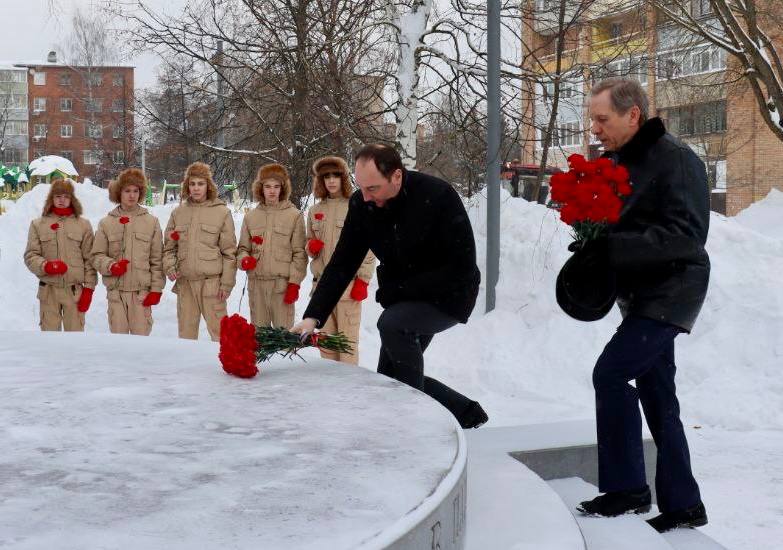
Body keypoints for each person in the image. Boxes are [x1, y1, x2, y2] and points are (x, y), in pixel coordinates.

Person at [575, 78, 710, 532]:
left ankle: (628, 490)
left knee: (609, 373)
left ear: (633, 115)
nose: (594, 128)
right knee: (657, 395)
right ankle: (684, 504)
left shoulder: (676, 160)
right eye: (592, 118)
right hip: (641, 293)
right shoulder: (620, 161)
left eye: (602, 119)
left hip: (672, 292)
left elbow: (686, 237)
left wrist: (612, 248)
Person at [291, 144, 488, 429]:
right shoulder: (362, 204)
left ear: (396, 176)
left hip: (450, 293)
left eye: (373, 188)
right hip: (403, 296)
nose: (366, 197)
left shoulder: (437, 195)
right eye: (361, 188)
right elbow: (343, 263)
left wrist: (398, 292)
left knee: (393, 325)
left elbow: (461, 266)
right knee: (391, 377)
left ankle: (411, 421)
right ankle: (466, 413)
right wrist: (313, 317)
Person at [305, 156, 376, 364]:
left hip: (348, 289)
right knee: (326, 345)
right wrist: (311, 246)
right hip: (321, 289)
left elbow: (369, 248)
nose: (331, 180)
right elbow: (308, 241)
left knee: (346, 345)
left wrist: (363, 280)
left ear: (343, 178)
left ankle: (350, 392)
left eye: (336, 175)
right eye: (326, 176)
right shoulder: (314, 210)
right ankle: (329, 391)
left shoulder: (357, 206)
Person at [162, 162, 236, 341]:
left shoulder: (222, 212)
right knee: (186, 336)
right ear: (187, 186)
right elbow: (168, 248)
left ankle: (224, 366)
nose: (196, 188)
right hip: (186, 284)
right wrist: (170, 266)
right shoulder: (178, 213)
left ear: (208, 186)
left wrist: (226, 284)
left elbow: (229, 253)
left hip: (212, 285)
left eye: (200, 184)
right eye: (192, 184)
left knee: (220, 335)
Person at [91, 168, 164, 335]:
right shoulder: (106, 223)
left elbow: (157, 260)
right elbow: (96, 256)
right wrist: (111, 266)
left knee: (141, 345)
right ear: (119, 192)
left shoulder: (151, 222)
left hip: (141, 295)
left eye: (136, 191)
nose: (132, 195)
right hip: (116, 295)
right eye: (127, 191)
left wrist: (156, 289)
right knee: (119, 345)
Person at [236, 163, 307, 328]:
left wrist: (294, 283)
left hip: (281, 287)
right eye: (268, 186)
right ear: (261, 188)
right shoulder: (251, 217)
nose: (272, 191)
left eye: (276, 186)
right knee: (260, 339)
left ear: (283, 188)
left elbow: (299, 254)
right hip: (257, 286)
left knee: (283, 340)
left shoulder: (294, 216)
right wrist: (244, 260)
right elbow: (242, 249)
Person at [23, 177, 97, 331]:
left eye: (66, 196)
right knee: (50, 341)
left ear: (72, 199)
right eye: (58, 196)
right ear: (51, 199)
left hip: (74, 292)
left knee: (75, 340)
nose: (62, 200)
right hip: (48, 290)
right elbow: (30, 255)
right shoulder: (38, 224)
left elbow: (90, 259)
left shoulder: (83, 225)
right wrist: (46, 266)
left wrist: (88, 290)